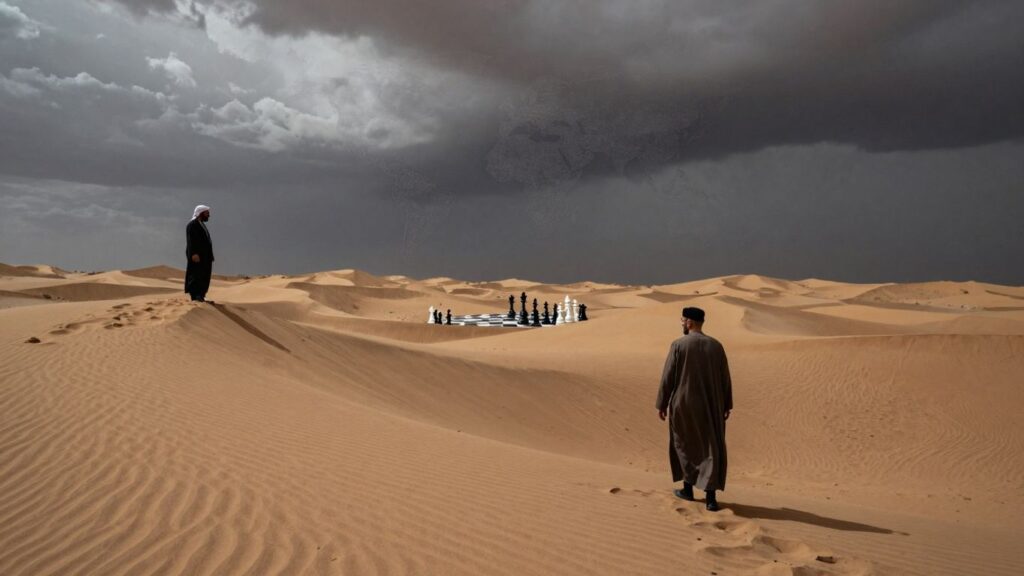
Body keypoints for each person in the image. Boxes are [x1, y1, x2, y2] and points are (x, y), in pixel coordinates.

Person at [656, 306, 732, 511]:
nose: (681, 323)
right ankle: (711, 498)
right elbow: (725, 378)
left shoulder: (679, 345)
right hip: (712, 404)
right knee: (711, 446)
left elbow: (668, 376)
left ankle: (687, 490)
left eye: (682, 320)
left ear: (689, 322)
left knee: (684, 443)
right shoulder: (716, 346)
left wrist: (662, 403)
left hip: (684, 403)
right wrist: (727, 404)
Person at [185, 204, 214, 302]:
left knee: (204, 275)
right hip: (197, 256)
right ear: (200, 213)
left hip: (205, 257)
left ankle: (201, 295)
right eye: (206, 213)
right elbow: (191, 241)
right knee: (196, 275)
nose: (208, 215)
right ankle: (195, 295)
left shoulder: (201, 224)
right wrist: (194, 253)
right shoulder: (192, 224)